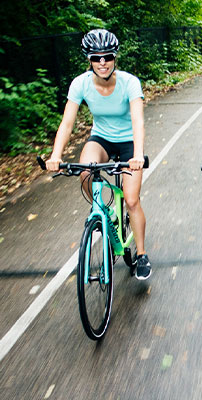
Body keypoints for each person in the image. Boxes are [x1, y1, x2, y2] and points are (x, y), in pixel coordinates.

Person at [46, 29, 151, 280]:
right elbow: (67, 123)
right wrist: (56, 156)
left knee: (132, 200)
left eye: (107, 56)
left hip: (128, 141)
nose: (102, 62)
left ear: (114, 58)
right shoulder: (80, 84)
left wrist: (137, 155)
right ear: (89, 60)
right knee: (84, 171)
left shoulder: (129, 83)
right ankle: (105, 213)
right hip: (101, 138)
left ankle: (142, 254)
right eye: (96, 57)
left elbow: (138, 121)